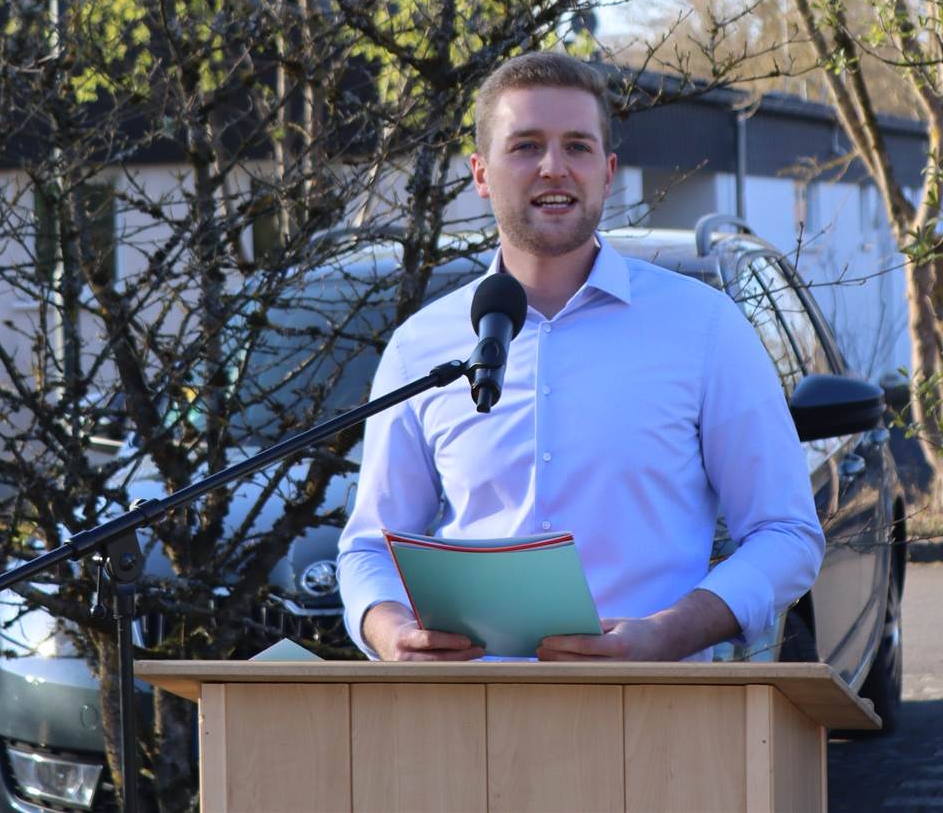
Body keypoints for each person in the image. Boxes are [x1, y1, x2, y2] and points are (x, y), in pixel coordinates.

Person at [337, 51, 823, 662]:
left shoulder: (705, 329)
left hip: (655, 719)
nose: (554, 168)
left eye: (577, 147)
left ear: (608, 170)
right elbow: (370, 548)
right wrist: (389, 631)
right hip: (467, 723)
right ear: (481, 173)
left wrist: (670, 632)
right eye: (526, 146)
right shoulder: (420, 346)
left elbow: (786, 535)